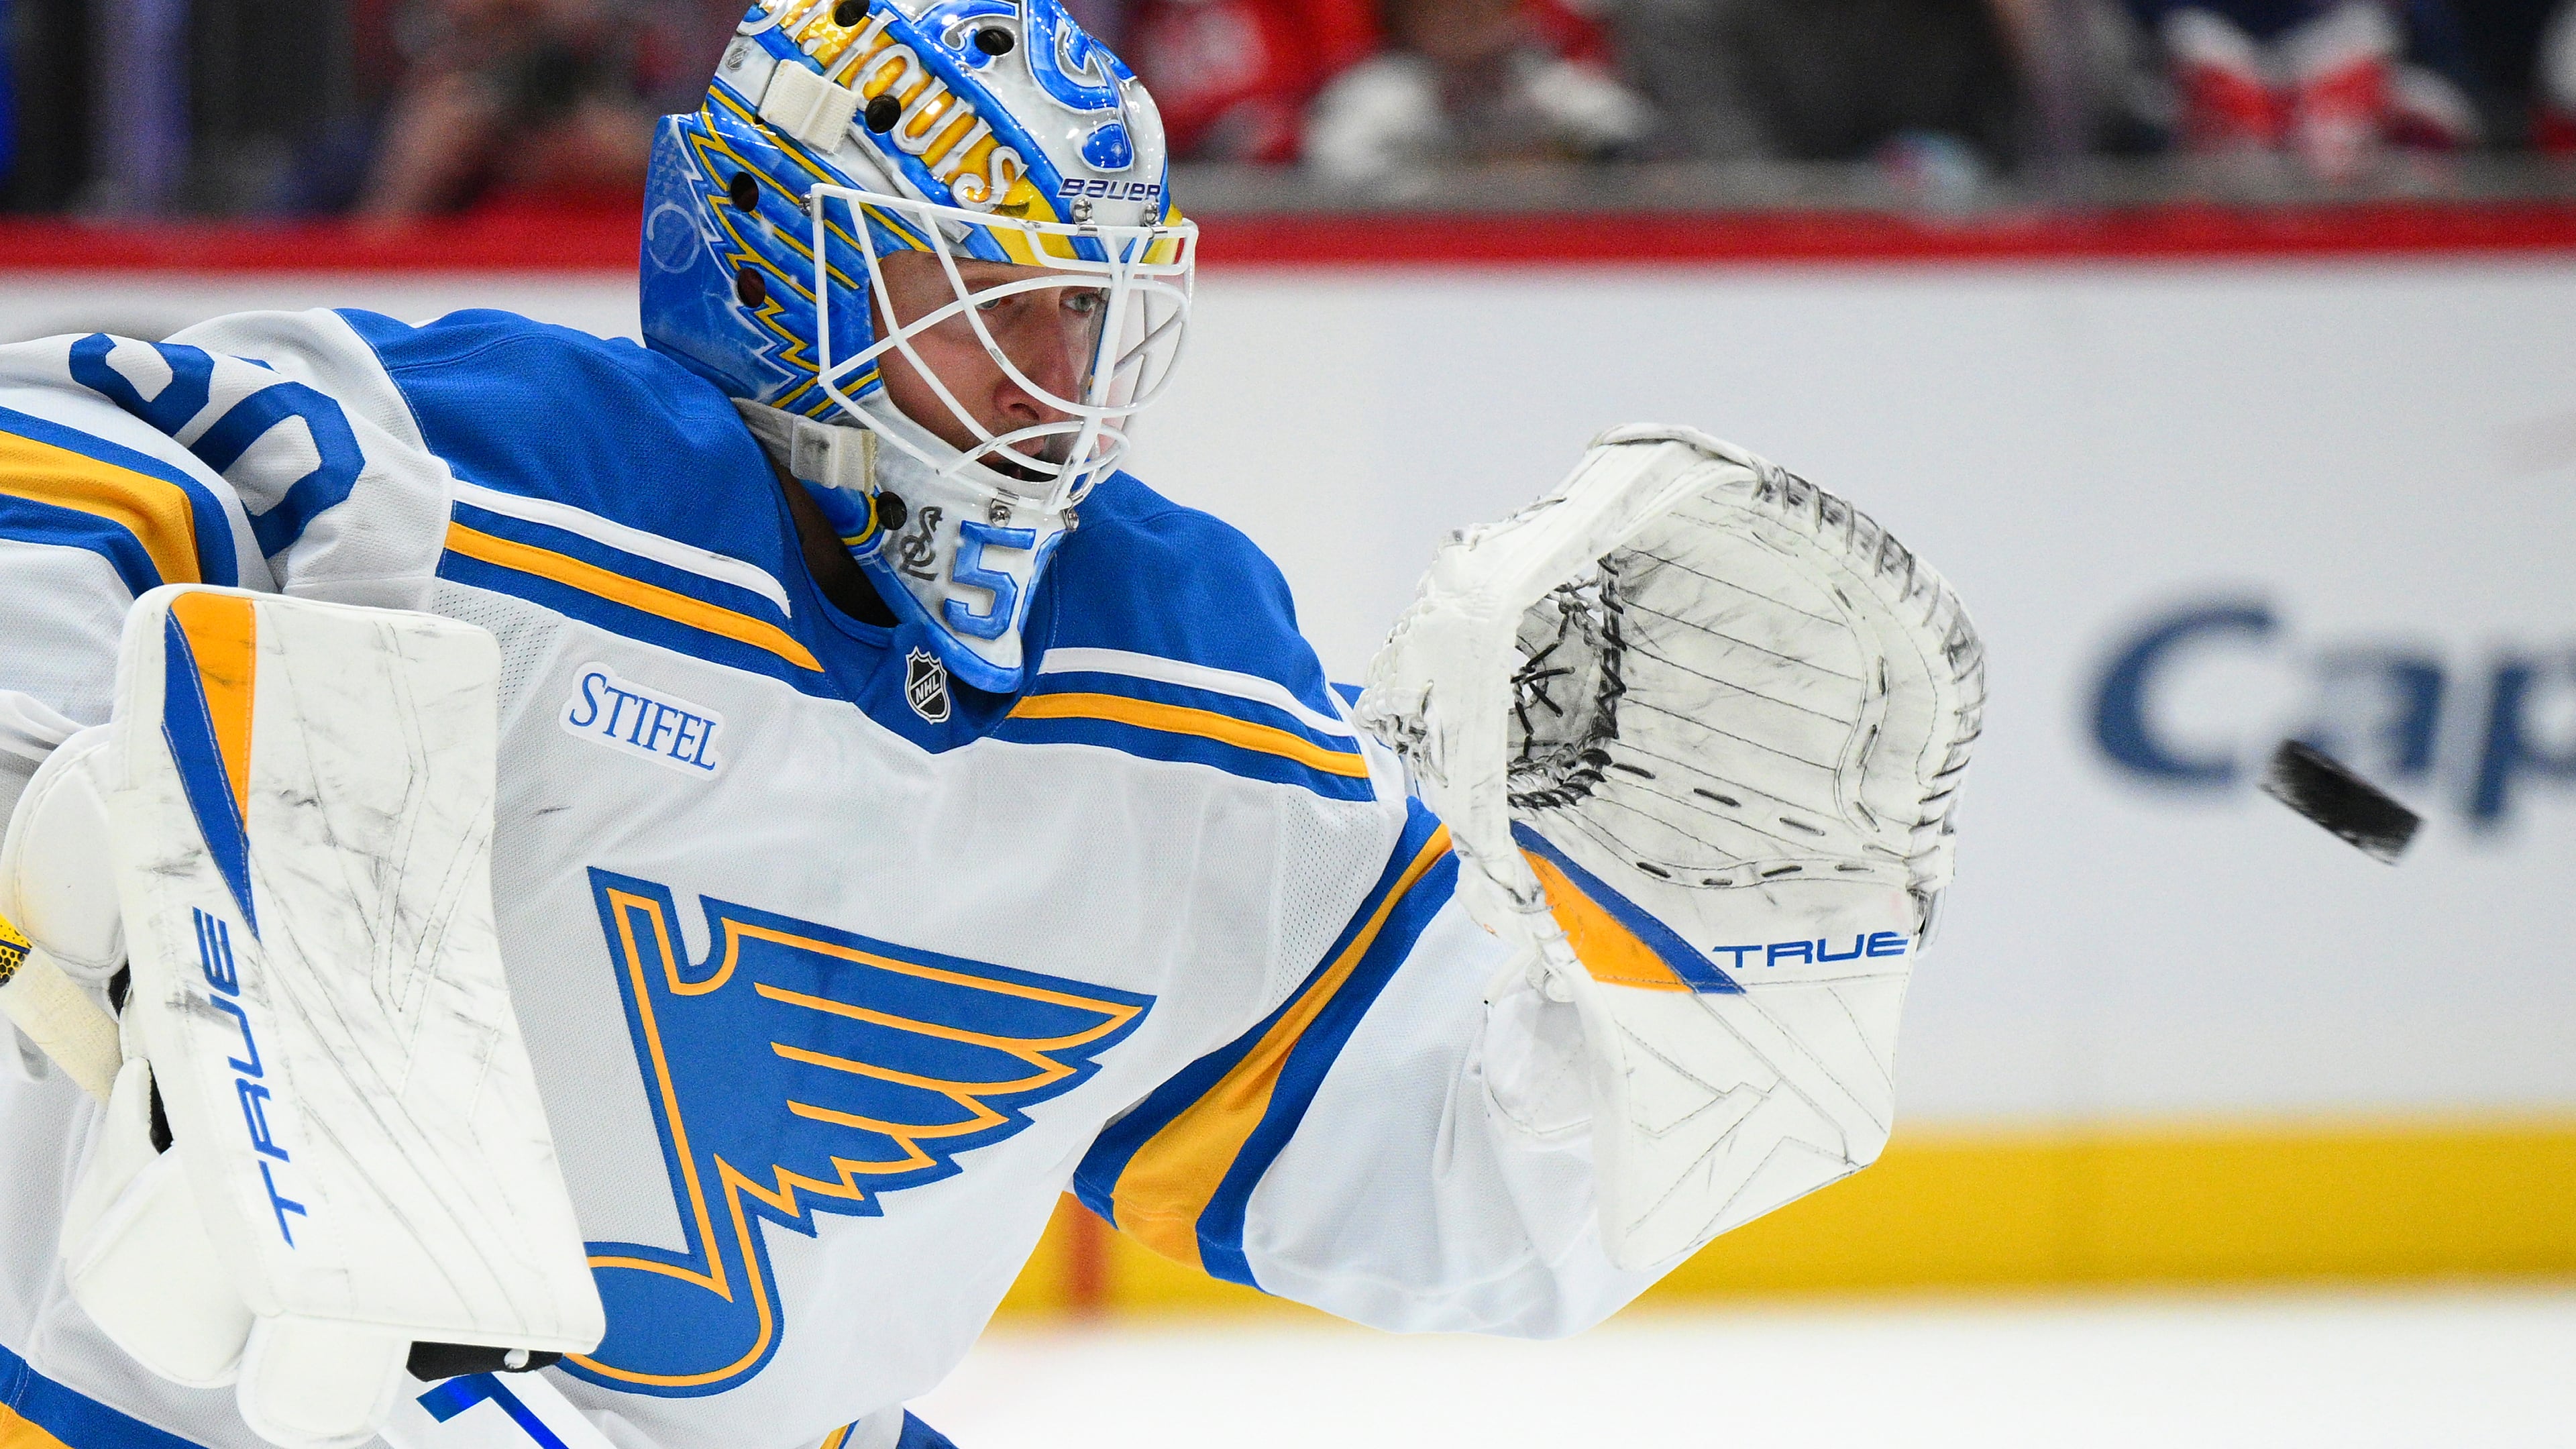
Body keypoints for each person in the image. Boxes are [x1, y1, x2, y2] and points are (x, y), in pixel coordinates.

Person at [0, 3, 1980, 1446]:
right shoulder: (494, 471)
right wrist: (51, 796)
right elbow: (62, 455)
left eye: (1088, 310)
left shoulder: (1182, 667)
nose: (1059, 376)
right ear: (776, 262)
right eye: (981, 292)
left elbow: (1469, 1193)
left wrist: (1749, 959)